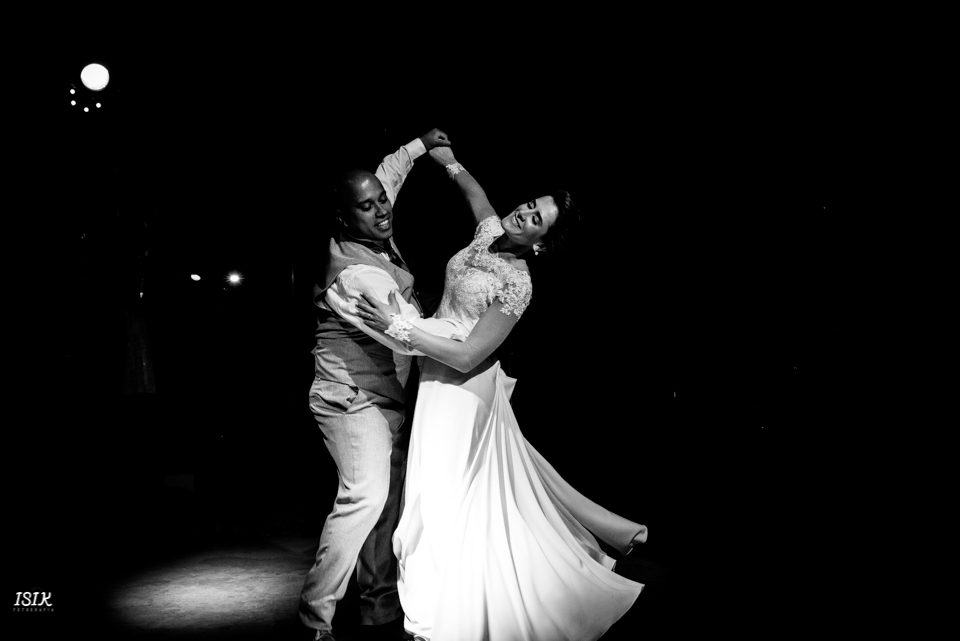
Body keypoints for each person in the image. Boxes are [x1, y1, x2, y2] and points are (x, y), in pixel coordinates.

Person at [354, 145, 649, 641]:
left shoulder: (517, 285)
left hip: (464, 390)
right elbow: (476, 192)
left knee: (446, 499)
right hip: (434, 381)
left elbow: (469, 355)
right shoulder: (490, 230)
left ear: (541, 243)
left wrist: (398, 327)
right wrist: (444, 157)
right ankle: (429, 585)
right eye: (529, 203)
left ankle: (454, 597)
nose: (523, 212)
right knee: (428, 494)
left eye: (536, 217)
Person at [299, 127, 453, 641]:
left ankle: (380, 610)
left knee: (386, 505)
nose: (381, 209)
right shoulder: (358, 275)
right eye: (367, 207)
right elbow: (409, 338)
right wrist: (466, 328)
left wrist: (419, 145)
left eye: (381, 201)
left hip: (385, 396)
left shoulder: (369, 224)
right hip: (351, 397)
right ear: (345, 217)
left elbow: (384, 177)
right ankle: (314, 621)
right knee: (365, 495)